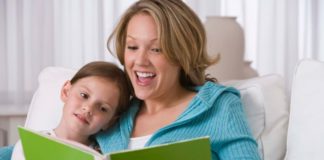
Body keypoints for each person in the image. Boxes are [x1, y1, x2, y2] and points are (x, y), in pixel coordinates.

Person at [96, 0, 261, 159]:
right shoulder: (112, 111)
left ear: (182, 55)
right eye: (132, 47)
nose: (140, 61)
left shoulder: (219, 107)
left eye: (156, 49)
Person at [11, 61, 131, 159]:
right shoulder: (28, 145)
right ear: (66, 91)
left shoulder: (101, 155)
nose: (88, 108)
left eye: (103, 108)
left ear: (110, 121)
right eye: (84, 95)